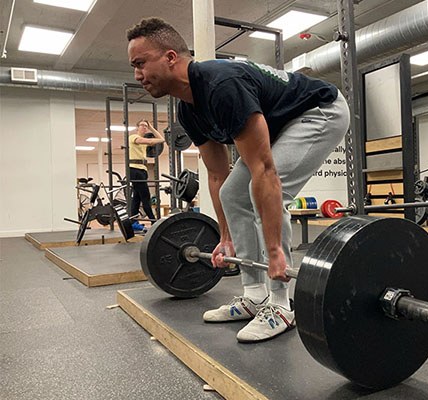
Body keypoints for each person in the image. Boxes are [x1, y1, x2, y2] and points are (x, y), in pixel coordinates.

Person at [126, 18, 349, 342]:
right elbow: (217, 175)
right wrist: (226, 237)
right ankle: (254, 294)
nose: (137, 75)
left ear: (170, 57)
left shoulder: (220, 85)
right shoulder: (189, 112)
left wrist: (274, 252)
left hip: (319, 112)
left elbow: (265, 172)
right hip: (281, 125)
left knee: (266, 192)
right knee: (234, 193)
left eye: (140, 63)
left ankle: (280, 304)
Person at [128, 119, 166, 230]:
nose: (144, 127)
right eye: (142, 125)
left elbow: (162, 140)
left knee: (137, 197)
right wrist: (151, 139)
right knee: (146, 196)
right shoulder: (133, 137)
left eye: (146, 126)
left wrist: (152, 128)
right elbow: (151, 142)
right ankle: (154, 221)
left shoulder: (145, 140)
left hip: (142, 170)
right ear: (137, 127)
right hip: (134, 170)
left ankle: (133, 222)